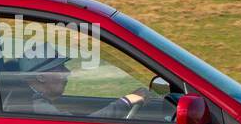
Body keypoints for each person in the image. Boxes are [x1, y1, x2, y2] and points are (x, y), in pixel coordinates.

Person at [14, 51, 159, 119]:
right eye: (60, 69)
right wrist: (125, 102)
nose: (68, 73)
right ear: (41, 77)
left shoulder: (31, 99)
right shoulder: (35, 106)